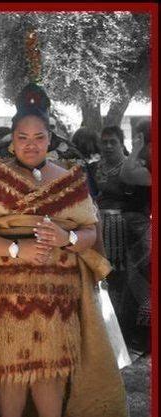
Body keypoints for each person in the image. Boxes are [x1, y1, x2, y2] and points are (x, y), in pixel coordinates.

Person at [0, 83, 129, 417]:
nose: (31, 144)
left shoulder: (69, 178)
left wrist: (67, 236)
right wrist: (16, 249)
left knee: (50, 369)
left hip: (58, 291)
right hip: (8, 289)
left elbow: (90, 231)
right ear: (12, 141)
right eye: (22, 138)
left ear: (50, 139)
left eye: (38, 137)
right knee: (10, 368)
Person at [90, 126, 130, 324]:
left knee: (121, 274)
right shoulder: (94, 167)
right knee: (100, 271)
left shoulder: (131, 167)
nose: (107, 146)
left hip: (125, 227)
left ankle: (122, 321)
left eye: (112, 142)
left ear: (121, 143)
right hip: (98, 226)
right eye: (104, 142)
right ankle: (103, 320)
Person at [119, 119, 151, 353]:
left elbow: (127, 174)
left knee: (142, 281)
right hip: (142, 227)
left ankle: (142, 335)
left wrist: (136, 150)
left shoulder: (147, 160)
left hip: (146, 228)